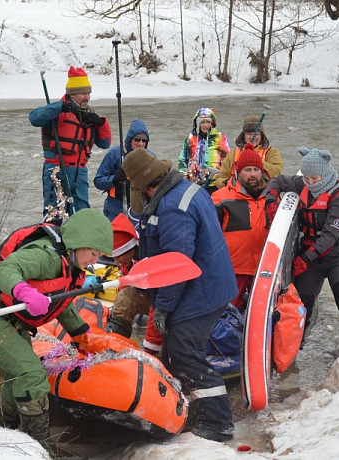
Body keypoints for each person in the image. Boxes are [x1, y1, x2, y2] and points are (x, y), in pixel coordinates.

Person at [0, 209, 113, 451]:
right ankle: (39, 447)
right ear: (78, 243)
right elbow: (5, 270)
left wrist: (83, 336)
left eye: (100, 255)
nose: (94, 260)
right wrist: (26, 292)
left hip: (12, 319)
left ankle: (1, 430)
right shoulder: (46, 256)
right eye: (93, 253)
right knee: (31, 375)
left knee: (15, 380)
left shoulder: (71, 265)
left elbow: (62, 303)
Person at [122, 148, 239, 443]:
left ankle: (217, 422)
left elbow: (177, 266)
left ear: (146, 187)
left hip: (200, 289)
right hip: (210, 282)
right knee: (179, 349)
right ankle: (188, 409)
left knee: (183, 350)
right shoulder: (186, 190)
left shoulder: (173, 208)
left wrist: (162, 307)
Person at [264, 147, 339, 355]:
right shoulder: (302, 183)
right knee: (301, 301)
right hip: (310, 256)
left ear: (326, 173)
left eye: (315, 178)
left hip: (337, 254)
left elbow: (330, 236)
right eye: (307, 178)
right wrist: (271, 198)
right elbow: (277, 181)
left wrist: (304, 258)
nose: (311, 183)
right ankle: (294, 344)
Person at [29, 66, 112, 220]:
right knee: (54, 216)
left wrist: (101, 123)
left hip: (80, 173)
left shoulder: (90, 116)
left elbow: (105, 143)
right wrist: (60, 107)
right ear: (72, 94)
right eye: (83, 93)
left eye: (88, 93)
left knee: (82, 217)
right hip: (56, 171)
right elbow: (34, 118)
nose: (87, 97)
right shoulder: (56, 112)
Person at [211, 147, 270, 311]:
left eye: (256, 169)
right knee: (227, 314)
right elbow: (208, 236)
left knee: (261, 312)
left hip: (263, 270)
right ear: (237, 172)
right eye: (247, 170)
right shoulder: (220, 198)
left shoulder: (274, 197)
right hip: (232, 270)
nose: (253, 174)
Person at [104, 213, 163, 355]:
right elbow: (126, 288)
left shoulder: (150, 261)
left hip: (169, 303)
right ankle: (114, 344)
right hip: (151, 298)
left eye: (119, 256)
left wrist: (150, 346)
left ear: (130, 249)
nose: (116, 261)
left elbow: (159, 304)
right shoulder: (127, 260)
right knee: (124, 298)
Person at [93, 119, 151, 221]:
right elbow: (98, 181)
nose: (140, 144)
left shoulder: (151, 158)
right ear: (130, 140)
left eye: (144, 141)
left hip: (139, 208)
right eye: (137, 140)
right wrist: (114, 179)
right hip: (115, 207)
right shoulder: (115, 154)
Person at [214, 114, 284, 187]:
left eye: (256, 134)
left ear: (261, 135)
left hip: (263, 194)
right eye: (249, 134)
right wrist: (229, 184)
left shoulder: (271, 152)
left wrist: (256, 161)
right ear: (244, 135)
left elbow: (277, 173)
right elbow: (220, 178)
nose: (252, 137)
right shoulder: (233, 154)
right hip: (237, 194)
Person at [178, 107, 228, 183]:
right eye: (202, 122)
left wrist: (223, 179)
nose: (205, 125)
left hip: (214, 181)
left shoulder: (220, 138)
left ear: (212, 123)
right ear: (198, 123)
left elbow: (227, 161)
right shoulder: (191, 138)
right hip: (194, 181)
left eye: (208, 122)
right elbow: (182, 160)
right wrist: (183, 176)